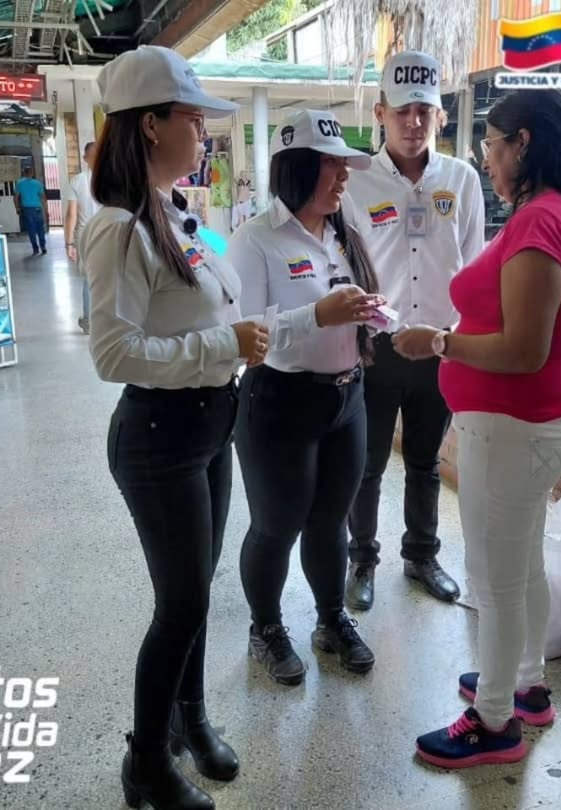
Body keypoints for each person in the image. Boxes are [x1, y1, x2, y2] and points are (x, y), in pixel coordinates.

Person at [80, 45, 270, 809]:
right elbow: (113, 353)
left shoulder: (178, 215)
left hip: (209, 424)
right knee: (182, 604)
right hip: (159, 437)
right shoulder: (120, 228)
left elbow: (219, 298)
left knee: (197, 590)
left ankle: (191, 720)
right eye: (193, 119)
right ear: (151, 125)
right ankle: (147, 763)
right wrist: (223, 345)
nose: (204, 133)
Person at [397, 90, 561, 768]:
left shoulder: (541, 222)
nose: (485, 159)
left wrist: (439, 343)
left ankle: (493, 721)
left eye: (491, 144)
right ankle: (525, 684)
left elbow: (523, 350)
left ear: (522, 144)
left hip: (512, 428)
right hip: (527, 425)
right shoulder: (557, 213)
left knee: (494, 578)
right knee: (520, 565)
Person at [227, 109, 384, 686]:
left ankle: (330, 618)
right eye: (330, 166)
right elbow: (245, 333)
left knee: (330, 521)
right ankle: (265, 628)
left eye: (345, 166)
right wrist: (318, 314)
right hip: (280, 401)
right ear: (295, 169)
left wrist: (370, 311)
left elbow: (350, 305)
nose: (343, 177)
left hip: (347, 399)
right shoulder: (255, 239)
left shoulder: (344, 233)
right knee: (277, 524)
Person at [343, 50, 485, 611]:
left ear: (440, 115)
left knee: (427, 462)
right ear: (380, 112)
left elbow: (473, 267)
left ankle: (422, 555)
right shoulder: (355, 181)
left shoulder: (462, 180)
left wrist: (460, 342)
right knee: (367, 465)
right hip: (376, 348)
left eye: (424, 110)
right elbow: (344, 266)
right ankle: (361, 558)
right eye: (402, 110)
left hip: (439, 347)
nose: (413, 122)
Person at [65, 141, 98, 333]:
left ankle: (89, 322)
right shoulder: (114, 179)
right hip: (109, 232)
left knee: (89, 279)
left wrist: (69, 243)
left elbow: (72, 214)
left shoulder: (77, 180)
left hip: (85, 236)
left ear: (85, 159)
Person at [15, 166, 48, 255]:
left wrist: (17, 208)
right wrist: (46, 210)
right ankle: (43, 247)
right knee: (40, 229)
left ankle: (35, 248)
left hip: (27, 210)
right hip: (37, 209)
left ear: (24, 173)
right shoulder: (38, 183)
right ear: (32, 173)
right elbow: (43, 198)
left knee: (31, 230)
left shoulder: (19, 184)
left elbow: (16, 197)